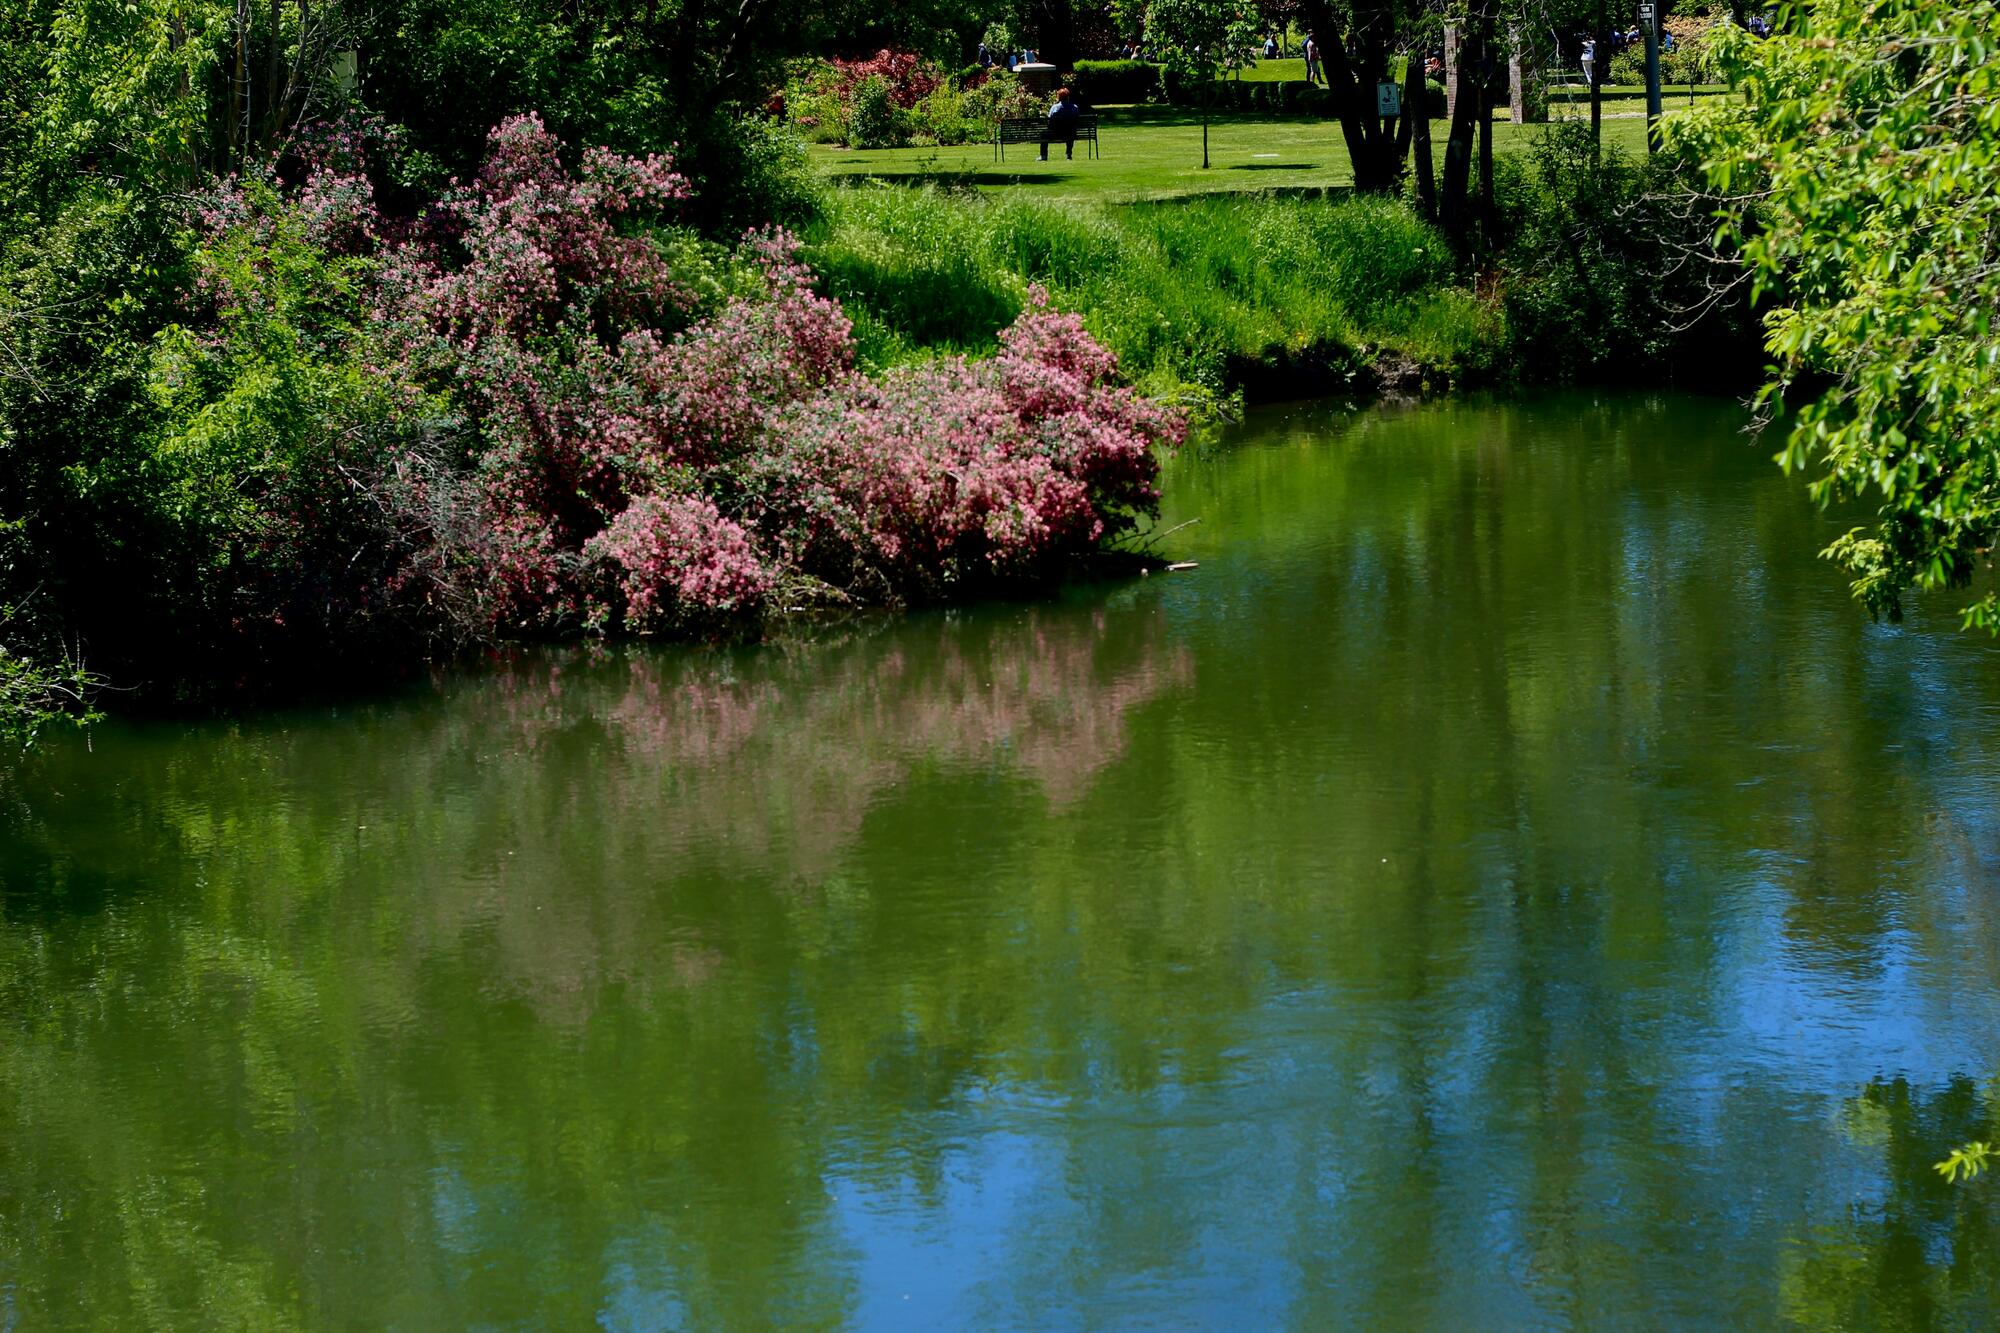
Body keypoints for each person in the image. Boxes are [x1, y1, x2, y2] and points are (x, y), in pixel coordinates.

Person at [1040, 86, 1082, 160]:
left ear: (1059, 97)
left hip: (1056, 134)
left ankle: (1043, 156)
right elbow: (1077, 122)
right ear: (1068, 97)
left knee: (1043, 134)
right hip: (1070, 133)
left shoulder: (1055, 108)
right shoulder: (1074, 107)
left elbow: (1050, 122)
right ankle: (1068, 154)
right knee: (1070, 131)